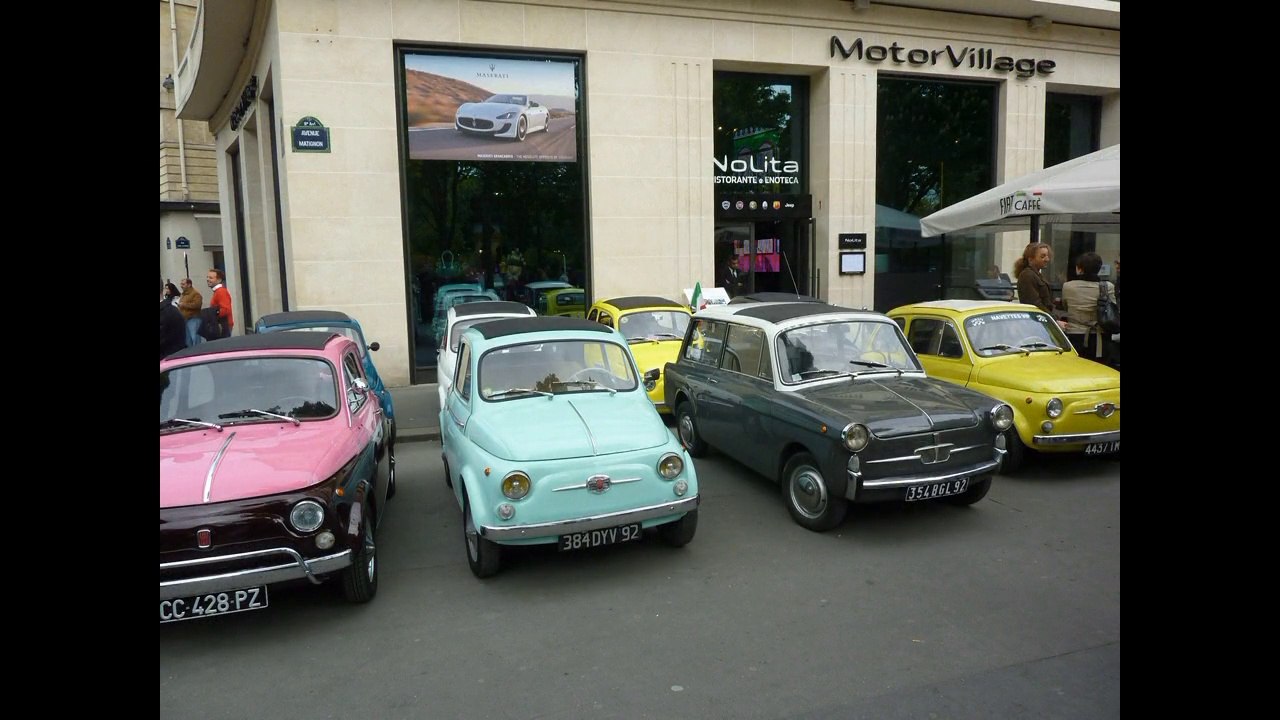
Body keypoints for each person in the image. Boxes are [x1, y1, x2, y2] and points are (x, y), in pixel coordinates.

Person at [1061, 252, 1116, 365]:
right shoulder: (1107, 287)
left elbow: (1065, 306)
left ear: (1080, 268)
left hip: (1075, 335)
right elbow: (1112, 309)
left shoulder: (1068, 286)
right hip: (1101, 337)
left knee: (1077, 369)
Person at [1014, 242, 1068, 328]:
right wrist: (1054, 321)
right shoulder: (1027, 275)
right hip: (1036, 323)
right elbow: (1035, 304)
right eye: (1042, 256)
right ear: (1030, 259)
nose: (1047, 259)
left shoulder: (1035, 274)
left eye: (1047, 256)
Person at [206, 268, 234, 339]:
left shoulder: (221, 292)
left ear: (219, 280)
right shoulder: (218, 291)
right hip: (222, 325)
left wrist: (212, 314)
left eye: (211, 278)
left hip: (223, 326)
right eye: (207, 277)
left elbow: (226, 309)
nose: (208, 279)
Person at [176, 278, 204, 347]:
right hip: (185, 320)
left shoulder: (195, 294)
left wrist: (183, 304)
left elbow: (197, 305)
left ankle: (198, 353)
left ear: (189, 285)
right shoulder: (183, 294)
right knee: (188, 341)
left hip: (193, 319)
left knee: (195, 339)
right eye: (181, 284)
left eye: (183, 284)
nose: (181, 286)